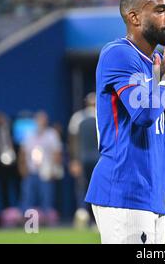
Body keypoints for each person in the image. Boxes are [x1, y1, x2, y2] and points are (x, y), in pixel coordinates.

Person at [85, 0, 165, 244]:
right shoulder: (118, 54)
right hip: (123, 190)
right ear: (134, 18)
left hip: (151, 196)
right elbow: (144, 114)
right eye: (160, 10)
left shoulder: (156, 62)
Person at [18, 111, 63, 225]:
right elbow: (22, 152)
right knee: (28, 199)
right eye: (39, 120)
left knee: (47, 200)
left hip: (46, 172)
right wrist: (22, 168)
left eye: (43, 120)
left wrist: (54, 169)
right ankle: (29, 224)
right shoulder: (29, 134)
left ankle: (48, 223)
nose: (41, 122)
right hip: (31, 171)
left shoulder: (51, 134)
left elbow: (57, 153)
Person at [67, 92, 98, 227]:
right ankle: (90, 216)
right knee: (96, 187)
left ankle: (84, 214)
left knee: (83, 187)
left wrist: (75, 160)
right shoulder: (80, 117)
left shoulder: (78, 117)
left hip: (85, 157)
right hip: (98, 158)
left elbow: (73, 141)